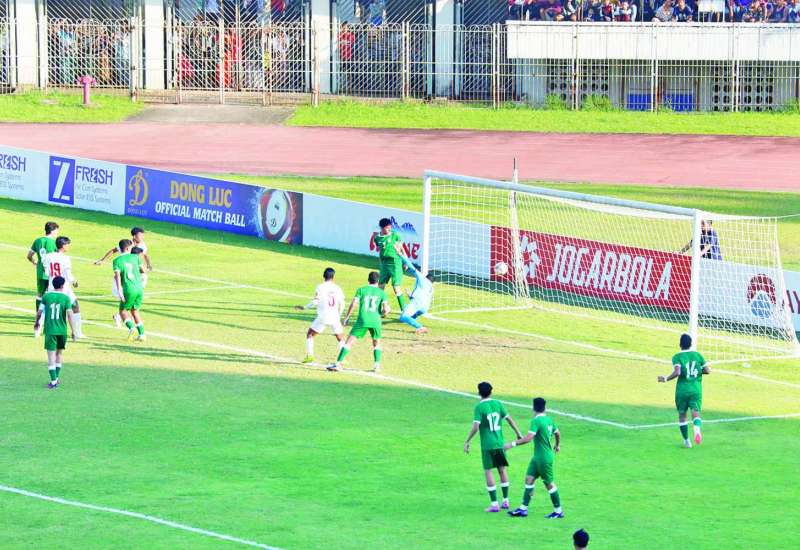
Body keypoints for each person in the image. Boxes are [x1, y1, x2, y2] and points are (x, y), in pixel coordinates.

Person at [463, 382, 523, 512]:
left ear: (479, 393)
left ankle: (494, 504)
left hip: (488, 445)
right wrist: (518, 433)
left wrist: (467, 441)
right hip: (500, 444)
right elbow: (509, 419)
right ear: (491, 392)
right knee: (502, 470)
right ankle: (505, 501)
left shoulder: (479, 407)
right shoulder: (498, 404)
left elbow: (476, 427)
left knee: (488, 471)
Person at [505, 397, 564, 519]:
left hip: (543, 458)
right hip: (538, 457)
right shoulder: (549, 420)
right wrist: (557, 445)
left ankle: (558, 511)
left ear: (533, 408)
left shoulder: (536, 421)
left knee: (549, 483)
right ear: (545, 408)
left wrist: (512, 444)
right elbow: (557, 433)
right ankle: (523, 509)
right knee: (529, 479)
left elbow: (528, 438)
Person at [327, 271, 389, 373]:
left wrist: (347, 317)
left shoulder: (361, 290)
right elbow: (386, 310)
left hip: (363, 319)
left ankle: (338, 364)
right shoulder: (382, 293)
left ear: (368, 280)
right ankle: (377, 366)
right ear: (378, 281)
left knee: (349, 342)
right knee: (376, 343)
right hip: (376, 320)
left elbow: (353, 303)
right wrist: (383, 314)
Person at [658, 333, 710, 448]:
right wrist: (697, 372)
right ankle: (697, 430)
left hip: (682, 390)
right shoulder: (698, 355)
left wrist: (665, 379)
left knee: (682, 416)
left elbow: (678, 372)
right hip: (696, 390)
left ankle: (687, 441)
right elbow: (707, 370)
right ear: (691, 344)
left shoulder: (677, 357)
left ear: (680, 344)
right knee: (695, 413)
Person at [295, 267, 346, 364]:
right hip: (335, 316)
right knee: (340, 337)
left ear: (323, 276)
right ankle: (343, 358)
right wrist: (339, 315)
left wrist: (304, 307)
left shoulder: (320, 287)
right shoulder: (337, 288)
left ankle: (310, 356)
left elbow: (315, 302)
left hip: (323, 316)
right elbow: (342, 304)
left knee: (310, 334)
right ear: (333, 277)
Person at [33, 276, 75, 389]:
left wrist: (36, 323)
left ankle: (53, 381)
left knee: (51, 356)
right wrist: (73, 331)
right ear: (62, 286)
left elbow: (39, 312)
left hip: (50, 331)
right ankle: (56, 378)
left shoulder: (46, 297)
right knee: (59, 354)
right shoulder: (66, 298)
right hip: (62, 331)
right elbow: (70, 315)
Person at [42, 236, 83, 339]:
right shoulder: (65, 258)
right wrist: (74, 281)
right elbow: (68, 274)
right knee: (74, 306)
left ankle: (40, 329)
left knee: (49, 308)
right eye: (67, 244)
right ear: (63, 246)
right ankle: (77, 332)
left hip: (52, 286)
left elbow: (46, 272)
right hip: (63, 287)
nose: (69, 246)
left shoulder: (48, 256)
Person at [112, 239, 146, 342]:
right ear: (127, 248)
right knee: (135, 311)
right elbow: (143, 270)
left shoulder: (117, 261)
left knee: (122, 311)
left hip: (128, 289)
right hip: (139, 288)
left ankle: (131, 328)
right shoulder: (135, 257)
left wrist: (119, 289)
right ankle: (142, 335)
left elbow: (117, 276)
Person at [373, 218, 409, 311]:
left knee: (396, 287)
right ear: (382, 228)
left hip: (395, 263)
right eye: (387, 227)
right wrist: (381, 263)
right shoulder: (377, 238)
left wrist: (405, 261)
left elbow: (401, 248)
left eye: (390, 227)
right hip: (384, 264)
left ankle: (403, 310)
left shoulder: (394, 235)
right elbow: (381, 250)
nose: (389, 229)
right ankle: (378, 310)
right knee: (380, 287)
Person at [27, 221, 60, 313]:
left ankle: (38, 315)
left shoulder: (37, 241)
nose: (57, 233)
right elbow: (57, 258)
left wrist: (35, 262)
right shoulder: (54, 243)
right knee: (52, 294)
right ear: (53, 231)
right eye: (57, 231)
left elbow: (29, 256)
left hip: (40, 272)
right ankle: (50, 314)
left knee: (40, 294)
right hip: (51, 272)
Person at [398, 255, 434, 335]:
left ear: (426, 277)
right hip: (425, 308)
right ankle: (412, 318)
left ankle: (420, 327)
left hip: (417, 303)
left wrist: (401, 255)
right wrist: (411, 296)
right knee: (410, 316)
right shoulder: (432, 288)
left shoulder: (422, 278)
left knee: (403, 317)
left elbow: (410, 265)